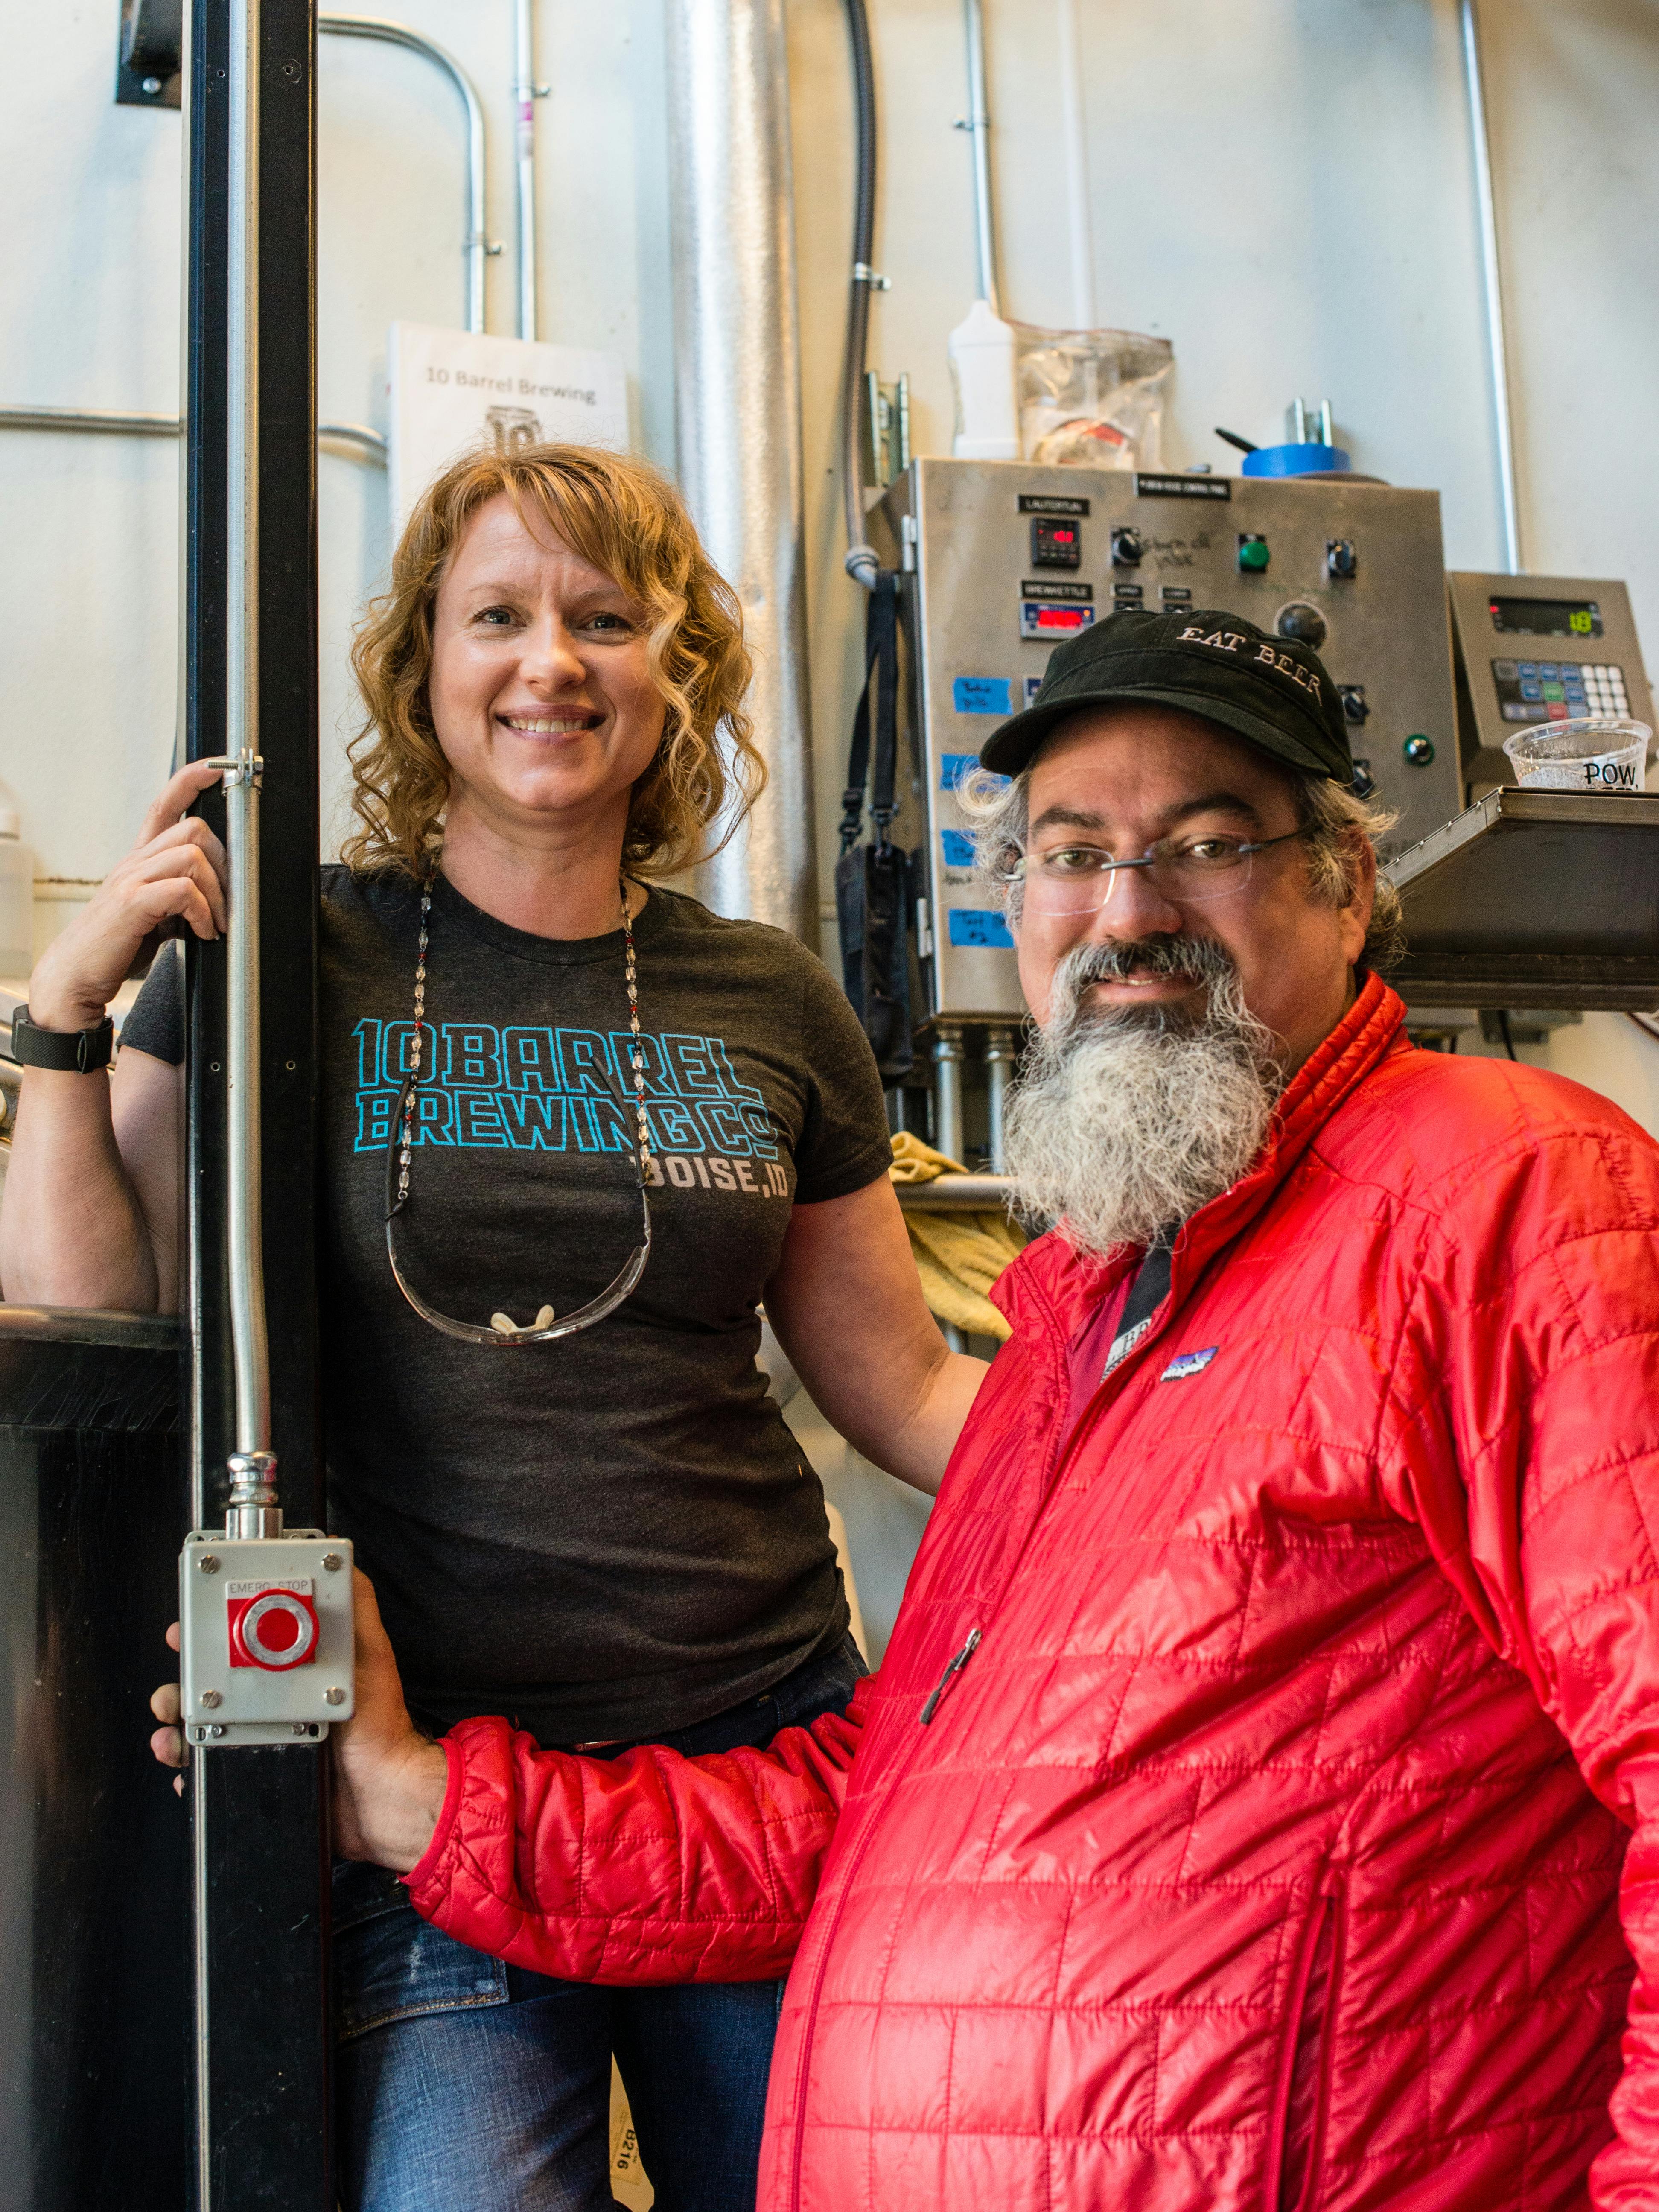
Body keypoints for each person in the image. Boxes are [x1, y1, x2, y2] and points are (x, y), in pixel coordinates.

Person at [283, 607, 1659, 2211]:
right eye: (1070, 853)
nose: (1128, 912)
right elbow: (869, 1820)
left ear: (1345, 882)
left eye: (1205, 844)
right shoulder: (1087, 1324)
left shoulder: (1507, 1193)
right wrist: (422, 1802)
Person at [5, 443, 985, 2212]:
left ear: (672, 669)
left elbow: (900, 1380)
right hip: (427, 1783)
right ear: (425, 665)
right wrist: (71, 1015)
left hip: (752, 1761)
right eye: (502, 617)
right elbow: (111, 1309)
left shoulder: (769, 997)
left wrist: (1159, 1486)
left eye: (605, 619)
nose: (553, 662)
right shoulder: (298, 952)